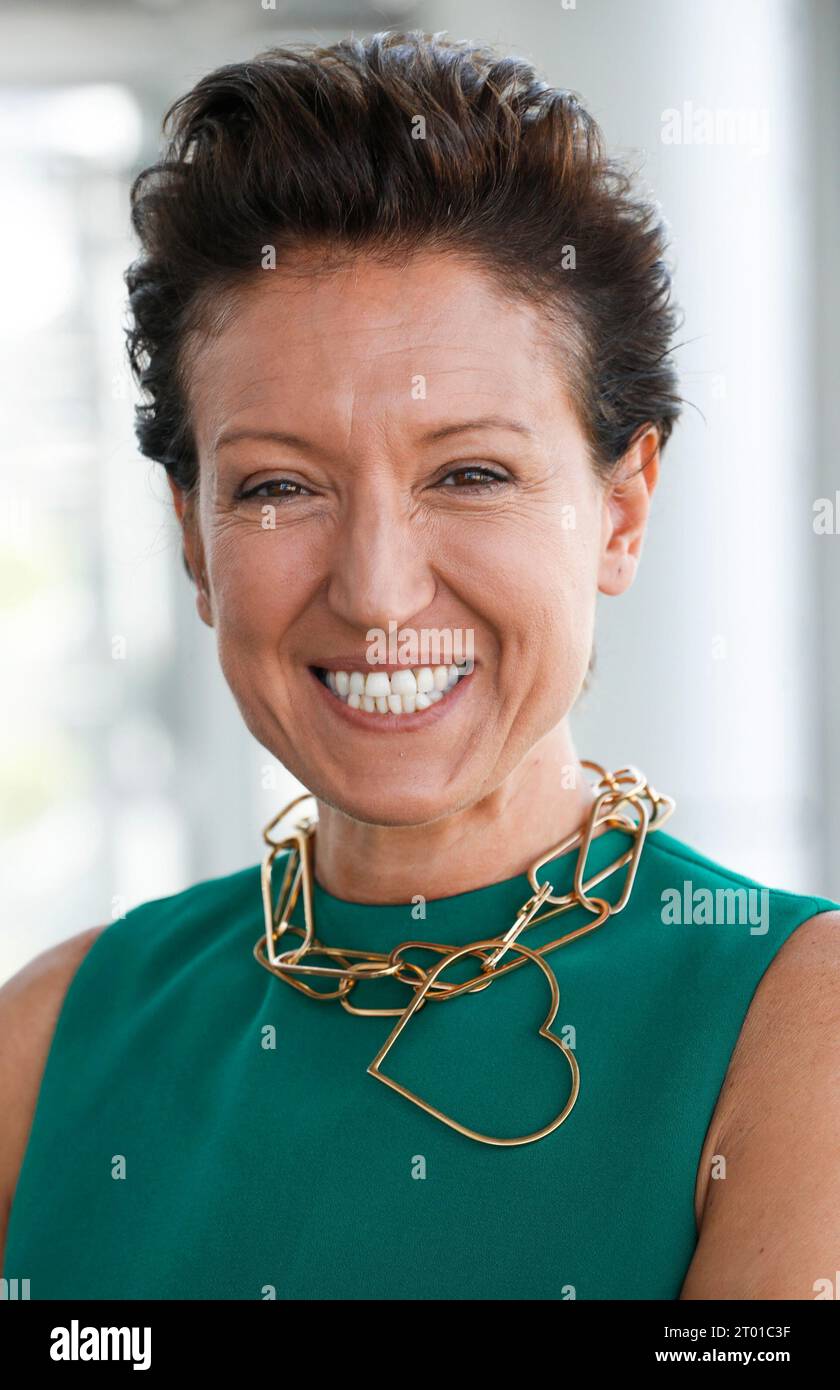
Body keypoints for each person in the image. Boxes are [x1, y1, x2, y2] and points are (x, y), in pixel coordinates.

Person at [2, 30, 838, 1302]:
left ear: (621, 512)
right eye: (279, 487)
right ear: (194, 538)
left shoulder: (792, 1028)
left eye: (471, 473)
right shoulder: (51, 1036)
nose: (378, 592)